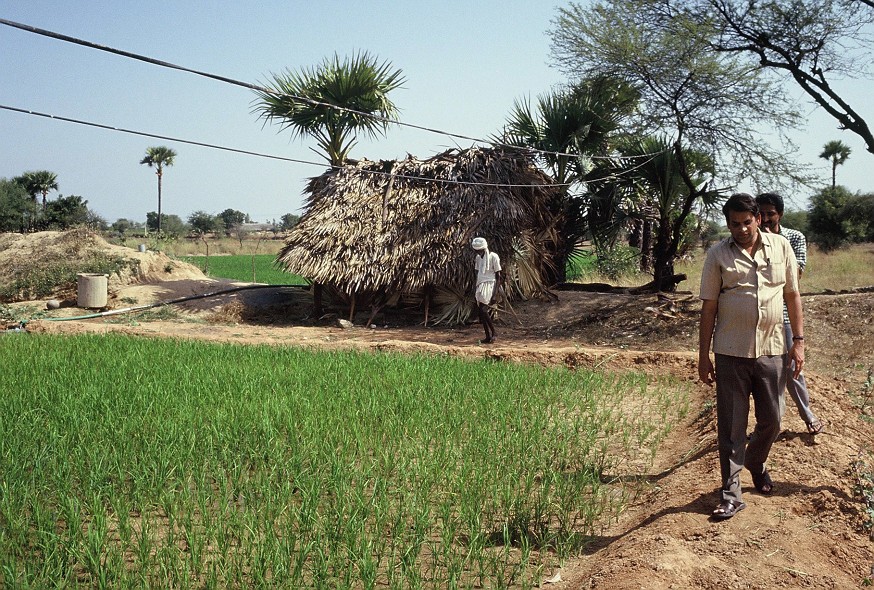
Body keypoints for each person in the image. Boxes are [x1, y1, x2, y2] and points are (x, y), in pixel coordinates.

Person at [698, 193, 806, 520]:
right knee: (731, 426)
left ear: (758, 219)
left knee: (772, 420)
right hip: (731, 351)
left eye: (747, 222)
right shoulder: (717, 254)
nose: (742, 229)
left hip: (773, 348)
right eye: (735, 224)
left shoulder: (781, 247)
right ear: (728, 224)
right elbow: (709, 307)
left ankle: (756, 462)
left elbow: (792, 294)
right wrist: (703, 356)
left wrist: (798, 342)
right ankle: (731, 494)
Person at [756, 192, 823, 435]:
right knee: (766, 374)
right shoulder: (753, 239)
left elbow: (795, 277)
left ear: (780, 214)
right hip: (760, 315)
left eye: (770, 214)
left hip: (783, 313)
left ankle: (808, 415)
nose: (764, 219)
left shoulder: (793, 238)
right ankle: (769, 426)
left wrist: (774, 243)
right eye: (761, 214)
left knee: (792, 368)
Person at [471, 237, 502, 344]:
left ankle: (494, 332)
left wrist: (494, 294)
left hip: (490, 284)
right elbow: (477, 272)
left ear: (484, 249)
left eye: (479, 250)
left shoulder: (493, 257)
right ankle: (488, 336)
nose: (478, 252)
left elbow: (498, 277)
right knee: (481, 312)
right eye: (476, 251)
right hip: (480, 284)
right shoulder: (478, 258)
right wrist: (476, 286)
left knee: (484, 310)